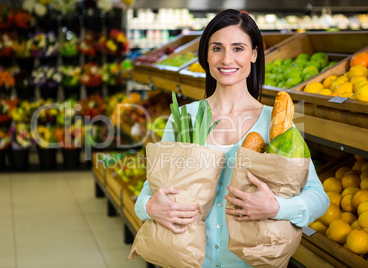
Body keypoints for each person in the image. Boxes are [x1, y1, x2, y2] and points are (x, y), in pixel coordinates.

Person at [135, 9, 329, 267]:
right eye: (217, 48)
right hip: (191, 260)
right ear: (206, 54)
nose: (227, 59)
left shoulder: (275, 122)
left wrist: (277, 208)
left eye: (238, 48)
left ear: (254, 54)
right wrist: (148, 208)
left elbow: (318, 197)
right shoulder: (184, 118)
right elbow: (149, 191)